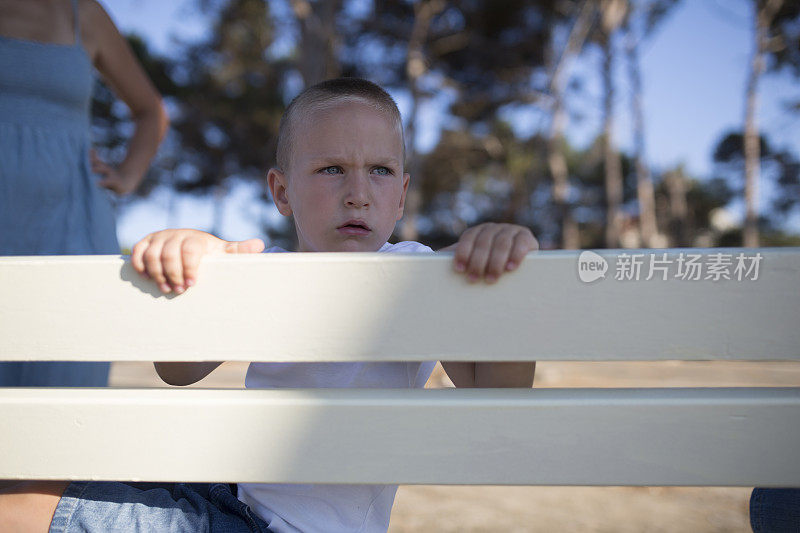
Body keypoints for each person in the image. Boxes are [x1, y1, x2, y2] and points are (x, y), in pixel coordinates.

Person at [0, 78, 537, 532]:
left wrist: (498, 265)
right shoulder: (261, 269)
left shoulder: (424, 273)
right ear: (281, 193)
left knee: (20, 510)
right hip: (231, 498)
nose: (358, 193)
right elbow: (178, 369)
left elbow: (497, 390)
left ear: (400, 195)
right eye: (331, 170)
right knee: (39, 481)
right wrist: (196, 261)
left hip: (278, 526)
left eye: (380, 170)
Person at [0, 0, 169, 386]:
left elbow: (150, 110)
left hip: (71, 225)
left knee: (65, 393)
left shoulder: (83, 13)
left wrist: (127, 175)